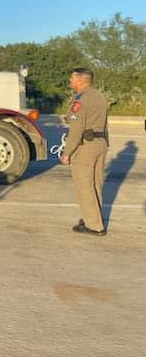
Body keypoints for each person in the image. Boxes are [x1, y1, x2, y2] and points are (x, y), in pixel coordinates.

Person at [59, 68, 109, 235]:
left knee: (84, 186)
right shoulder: (100, 97)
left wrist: (67, 152)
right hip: (100, 143)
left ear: (81, 81)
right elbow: (104, 124)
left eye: (71, 79)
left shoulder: (80, 100)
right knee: (95, 184)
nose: (69, 82)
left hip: (86, 146)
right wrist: (104, 144)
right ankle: (92, 217)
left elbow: (76, 129)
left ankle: (94, 226)